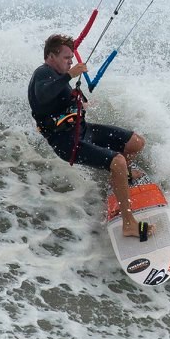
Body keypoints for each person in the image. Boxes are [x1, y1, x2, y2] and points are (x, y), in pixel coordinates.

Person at [27, 33, 150, 240]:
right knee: (118, 161)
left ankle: (121, 178)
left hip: (84, 130)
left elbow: (59, 102)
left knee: (136, 143)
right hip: (68, 143)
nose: (70, 62)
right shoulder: (42, 73)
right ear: (51, 56)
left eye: (71, 58)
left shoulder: (57, 74)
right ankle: (128, 224)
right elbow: (44, 95)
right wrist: (70, 75)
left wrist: (82, 104)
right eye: (66, 58)